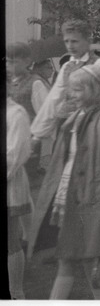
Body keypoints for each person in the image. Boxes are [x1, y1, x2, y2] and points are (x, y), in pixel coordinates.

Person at [28, 65, 100, 300]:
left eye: (77, 89)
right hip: (71, 191)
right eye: (69, 89)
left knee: (73, 257)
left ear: (94, 90)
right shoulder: (76, 116)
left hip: (93, 195)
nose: (70, 94)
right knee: (76, 257)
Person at [31, 20, 100, 173]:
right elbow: (53, 99)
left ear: (87, 40)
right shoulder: (67, 66)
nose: (70, 46)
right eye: (67, 41)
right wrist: (38, 133)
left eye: (75, 41)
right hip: (68, 125)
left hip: (92, 126)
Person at [7, 42, 50, 175]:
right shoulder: (8, 82)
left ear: (27, 61)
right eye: (7, 61)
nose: (9, 65)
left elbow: (45, 115)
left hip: (27, 144)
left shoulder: (35, 83)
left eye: (14, 62)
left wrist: (36, 140)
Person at [7, 96, 33, 299]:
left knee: (10, 239)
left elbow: (16, 153)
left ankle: (16, 293)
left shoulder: (16, 113)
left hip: (10, 181)